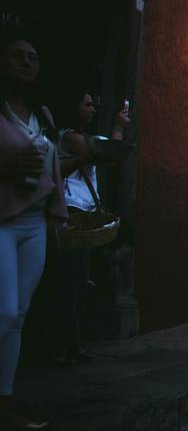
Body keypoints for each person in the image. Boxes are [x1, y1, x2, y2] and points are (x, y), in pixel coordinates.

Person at [0, 31, 68, 430]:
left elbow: (53, 168)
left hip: (36, 222)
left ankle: (5, 401)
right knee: (5, 311)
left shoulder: (42, 115)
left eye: (33, 57)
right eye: (17, 55)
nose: (27, 62)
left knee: (18, 314)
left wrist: (56, 215)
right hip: (4, 220)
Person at [47, 89, 129, 366]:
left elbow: (110, 154)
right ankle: (62, 347)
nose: (93, 109)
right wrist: (115, 133)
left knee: (78, 282)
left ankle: (71, 344)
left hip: (84, 213)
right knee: (69, 283)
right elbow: (103, 152)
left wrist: (117, 127)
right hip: (72, 214)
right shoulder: (70, 137)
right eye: (87, 104)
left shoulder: (81, 138)